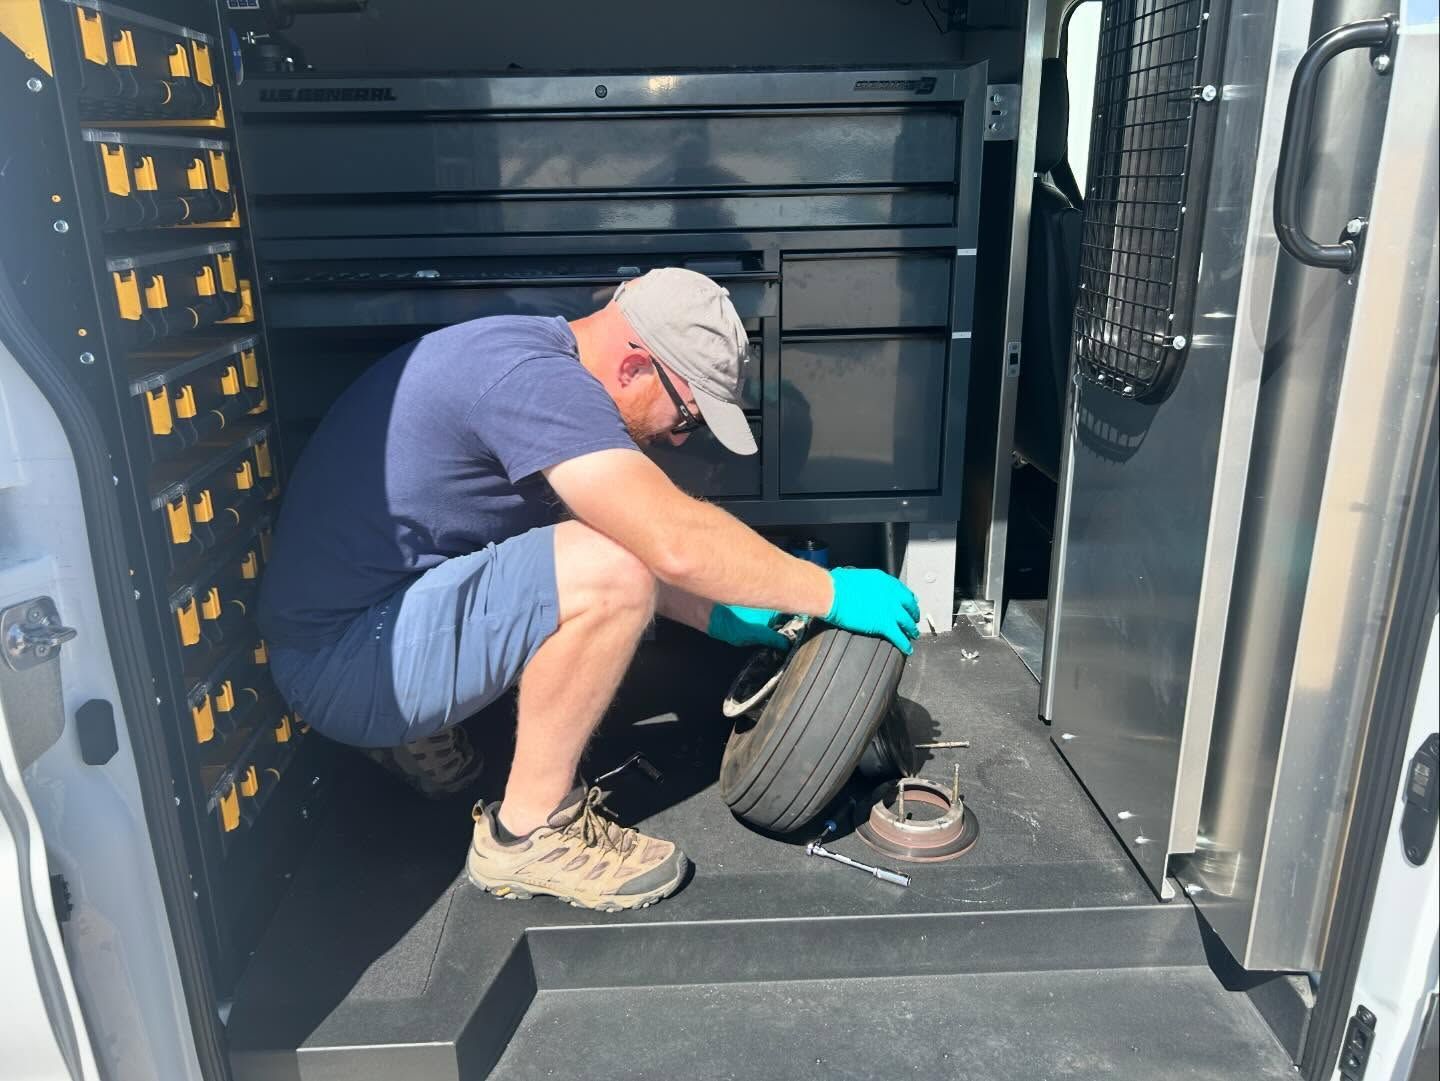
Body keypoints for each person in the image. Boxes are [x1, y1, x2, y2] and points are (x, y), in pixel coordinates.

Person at [256, 268, 920, 911]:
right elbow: (665, 541)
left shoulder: (535, 357)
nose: (679, 439)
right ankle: (530, 833)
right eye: (686, 418)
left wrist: (729, 616)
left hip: (368, 622)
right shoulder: (538, 384)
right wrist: (827, 590)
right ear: (634, 366)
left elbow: (625, 533)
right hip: (344, 655)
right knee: (615, 565)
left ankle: (412, 722)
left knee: (610, 542)